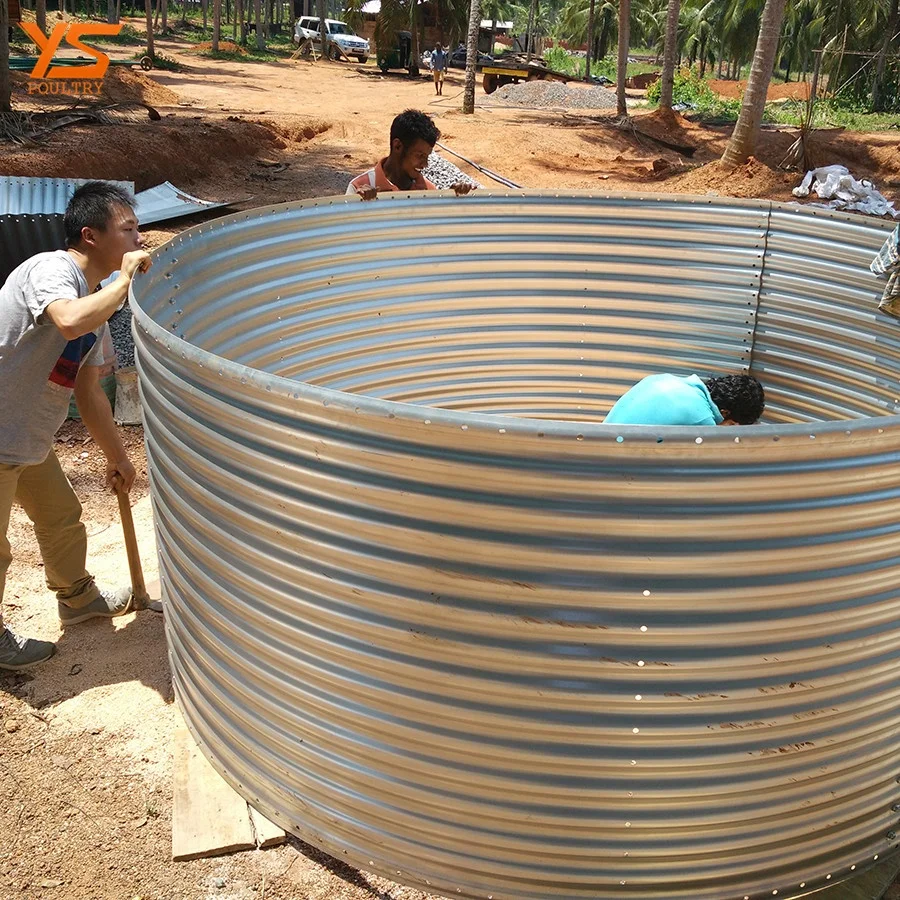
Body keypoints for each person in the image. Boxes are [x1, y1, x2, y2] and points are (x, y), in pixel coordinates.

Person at [0, 182, 152, 671]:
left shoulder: (97, 310)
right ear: (90, 235)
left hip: (25, 436)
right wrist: (123, 282)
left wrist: (119, 458)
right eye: (128, 229)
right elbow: (66, 321)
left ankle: (78, 598)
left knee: (61, 515)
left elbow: (89, 395)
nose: (138, 239)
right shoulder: (51, 269)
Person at [346, 109, 475, 200]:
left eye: (427, 156)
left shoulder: (427, 191)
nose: (425, 164)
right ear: (398, 146)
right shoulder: (359, 188)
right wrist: (359, 204)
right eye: (420, 155)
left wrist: (453, 199)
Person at [604, 373, 765, 426]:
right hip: (620, 470)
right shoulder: (703, 421)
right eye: (731, 425)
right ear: (725, 413)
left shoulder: (664, 378)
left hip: (598, 450)